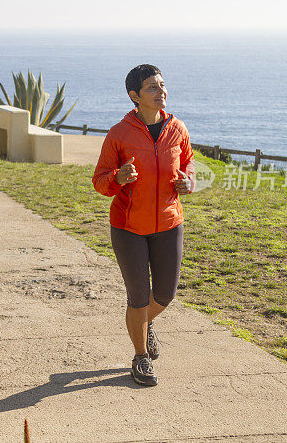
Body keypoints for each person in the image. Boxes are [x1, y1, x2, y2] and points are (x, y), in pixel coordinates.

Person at [92, 64, 195, 386]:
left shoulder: (177, 128)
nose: (161, 91)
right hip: (128, 226)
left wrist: (189, 182)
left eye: (162, 85)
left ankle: (143, 324)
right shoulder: (119, 134)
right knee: (137, 297)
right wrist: (117, 178)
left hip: (168, 221)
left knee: (165, 294)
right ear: (135, 96)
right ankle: (140, 357)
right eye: (152, 87)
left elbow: (189, 164)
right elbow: (99, 181)